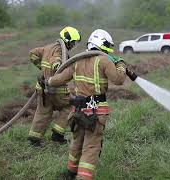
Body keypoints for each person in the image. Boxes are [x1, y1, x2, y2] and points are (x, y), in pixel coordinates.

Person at [45, 29, 137, 180]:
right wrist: (120, 64)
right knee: (91, 145)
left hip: (77, 109)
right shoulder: (104, 60)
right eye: (107, 45)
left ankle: (71, 172)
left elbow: (59, 78)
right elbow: (119, 80)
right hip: (96, 110)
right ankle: (83, 177)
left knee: (76, 142)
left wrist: (47, 81)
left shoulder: (77, 60)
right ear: (101, 43)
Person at [27, 26, 81, 147]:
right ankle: (57, 135)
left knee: (42, 112)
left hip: (42, 88)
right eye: (73, 42)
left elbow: (33, 54)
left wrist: (41, 68)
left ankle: (34, 139)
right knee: (70, 106)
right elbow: (56, 60)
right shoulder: (60, 51)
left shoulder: (48, 47)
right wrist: (58, 67)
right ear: (68, 40)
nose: (74, 45)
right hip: (56, 90)